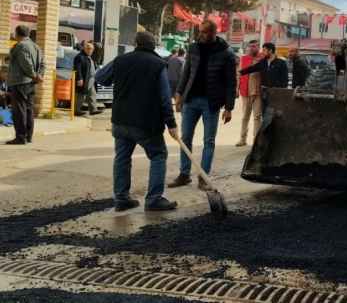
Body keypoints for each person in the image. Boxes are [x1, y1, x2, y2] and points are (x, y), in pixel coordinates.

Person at [96, 31, 179, 212]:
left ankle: (121, 199)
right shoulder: (158, 65)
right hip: (146, 123)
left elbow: (100, 77)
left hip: (120, 121)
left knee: (122, 158)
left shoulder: (120, 60)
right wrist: (171, 124)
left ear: (135, 44)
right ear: (153, 46)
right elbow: (165, 99)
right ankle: (154, 200)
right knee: (158, 156)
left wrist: (119, 79)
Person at [168, 19, 237, 190]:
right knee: (185, 139)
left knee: (209, 141)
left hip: (211, 102)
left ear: (214, 33)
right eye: (200, 31)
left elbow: (231, 82)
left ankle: (204, 177)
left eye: (204, 32)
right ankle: (184, 174)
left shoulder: (227, 54)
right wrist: (179, 93)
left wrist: (229, 108)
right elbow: (186, 72)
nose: (201, 35)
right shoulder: (194, 47)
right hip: (191, 100)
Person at [6, 25, 45, 145]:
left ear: (17, 34)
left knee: (19, 110)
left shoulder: (22, 45)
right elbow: (43, 63)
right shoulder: (35, 46)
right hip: (30, 83)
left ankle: (21, 136)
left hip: (21, 82)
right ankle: (28, 136)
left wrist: (34, 75)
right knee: (28, 109)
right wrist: (39, 75)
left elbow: (26, 64)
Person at [236, 40, 264, 147]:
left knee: (257, 117)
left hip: (258, 93)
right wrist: (236, 89)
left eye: (254, 46)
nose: (251, 48)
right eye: (250, 46)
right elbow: (239, 75)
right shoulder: (244, 59)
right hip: (246, 91)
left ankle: (256, 140)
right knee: (245, 117)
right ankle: (242, 138)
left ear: (258, 47)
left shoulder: (262, 59)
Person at [73, 42, 103, 116]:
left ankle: (93, 109)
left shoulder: (89, 57)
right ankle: (76, 110)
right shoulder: (80, 57)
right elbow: (77, 69)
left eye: (91, 49)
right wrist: (79, 78)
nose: (90, 50)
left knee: (92, 94)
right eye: (88, 49)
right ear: (84, 48)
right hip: (85, 79)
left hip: (91, 79)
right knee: (81, 94)